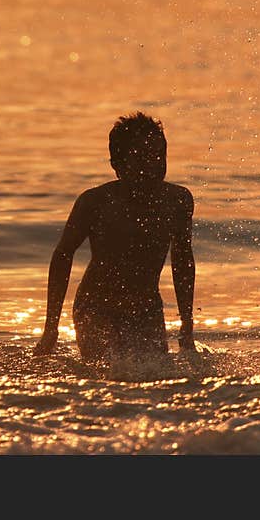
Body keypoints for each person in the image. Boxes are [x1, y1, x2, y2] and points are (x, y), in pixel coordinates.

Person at [33, 111, 196, 363]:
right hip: (96, 308)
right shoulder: (95, 202)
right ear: (117, 165)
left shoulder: (177, 201)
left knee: (152, 381)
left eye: (158, 156)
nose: (152, 166)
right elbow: (63, 254)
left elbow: (183, 258)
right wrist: (50, 328)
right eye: (141, 159)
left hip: (147, 309)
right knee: (106, 375)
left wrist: (187, 324)